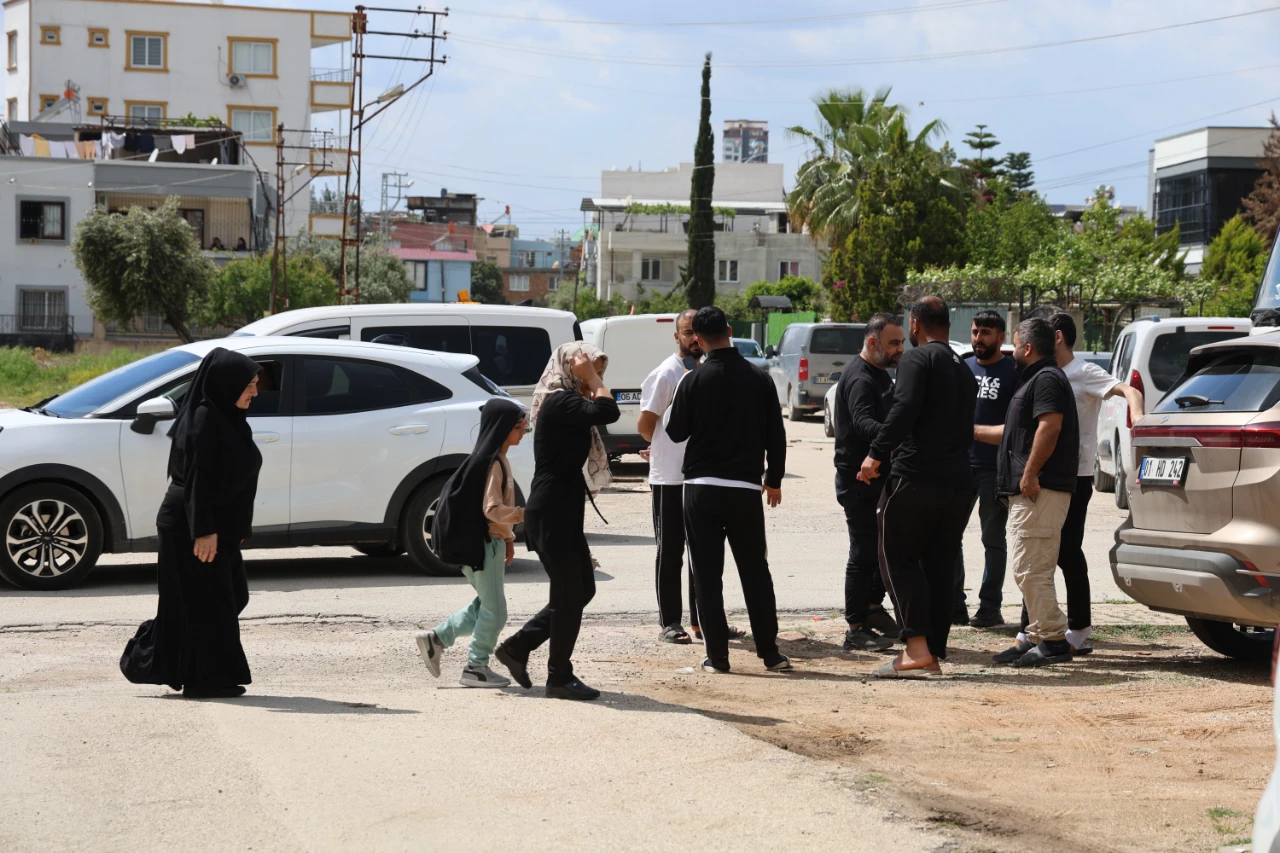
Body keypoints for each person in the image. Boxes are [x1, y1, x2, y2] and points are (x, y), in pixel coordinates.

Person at [120, 348, 263, 699]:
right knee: (206, 602)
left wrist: (237, 530)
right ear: (227, 384)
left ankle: (189, 666)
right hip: (190, 525)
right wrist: (204, 531)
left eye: (256, 384)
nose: (255, 392)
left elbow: (236, 482)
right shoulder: (204, 420)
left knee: (227, 597)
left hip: (215, 527)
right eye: (249, 384)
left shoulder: (229, 419)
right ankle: (203, 679)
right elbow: (197, 481)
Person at [665, 306, 791, 675]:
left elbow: (675, 432)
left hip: (701, 488)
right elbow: (776, 435)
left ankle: (717, 656)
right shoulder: (759, 378)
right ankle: (771, 654)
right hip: (744, 488)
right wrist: (774, 479)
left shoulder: (693, 379)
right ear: (730, 331)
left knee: (706, 574)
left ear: (697, 338)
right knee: (755, 572)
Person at [1010, 312, 1143, 653]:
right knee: (1037, 553)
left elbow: (1127, 389)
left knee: (1065, 552)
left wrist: (1138, 418)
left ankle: (1079, 629)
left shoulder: (1083, 372)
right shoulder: (1041, 373)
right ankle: (1029, 629)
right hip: (1045, 473)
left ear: (1056, 337)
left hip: (1076, 475)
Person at [858, 297, 976, 678]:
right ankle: (932, 651)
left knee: (896, 557)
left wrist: (875, 454)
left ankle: (916, 649)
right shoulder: (964, 368)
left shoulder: (917, 359)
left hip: (917, 477)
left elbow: (904, 408)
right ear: (948, 325)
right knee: (940, 564)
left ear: (914, 324)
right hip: (959, 483)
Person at [495, 343, 620, 700]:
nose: (594, 380)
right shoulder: (559, 401)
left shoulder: (568, 402)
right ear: (570, 369)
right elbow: (608, 411)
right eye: (588, 371)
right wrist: (593, 378)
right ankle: (559, 677)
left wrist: (592, 377)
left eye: (599, 373)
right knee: (568, 594)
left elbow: (601, 410)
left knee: (582, 589)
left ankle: (518, 647)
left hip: (561, 509)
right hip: (552, 511)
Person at [981, 317, 1080, 668]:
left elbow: (1049, 427)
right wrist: (969, 430)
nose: (1011, 350)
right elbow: (1014, 431)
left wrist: (1030, 473)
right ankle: (1038, 636)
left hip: (1040, 489)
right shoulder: (1036, 379)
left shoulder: (1047, 379)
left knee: (1030, 568)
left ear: (1027, 347)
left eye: (1015, 344)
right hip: (1034, 489)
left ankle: (1053, 639)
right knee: (1031, 567)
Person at [417, 399, 528, 688]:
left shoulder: (498, 460)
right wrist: (525, 515)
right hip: (484, 547)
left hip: (492, 544)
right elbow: (492, 510)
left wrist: (509, 538)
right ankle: (476, 667)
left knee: (485, 606)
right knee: (496, 611)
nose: (523, 431)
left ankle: (437, 639)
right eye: (519, 427)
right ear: (503, 429)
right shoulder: (493, 465)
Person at [832, 312, 905, 652]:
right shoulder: (860, 378)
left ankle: (873, 609)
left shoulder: (879, 373)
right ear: (873, 342)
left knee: (881, 550)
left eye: (902, 342)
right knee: (863, 553)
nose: (900, 349)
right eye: (893, 343)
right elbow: (863, 424)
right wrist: (898, 436)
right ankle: (855, 628)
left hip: (878, 478)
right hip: (859, 481)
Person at [637, 308, 703, 644]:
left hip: (700, 478)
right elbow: (645, 425)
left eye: (697, 332)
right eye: (687, 332)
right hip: (670, 479)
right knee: (671, 550)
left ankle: (703, 622)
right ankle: (670, 622)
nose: (694, 338)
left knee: (702, 552)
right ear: (677, 336)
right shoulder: (667, 373)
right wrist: (663, 447)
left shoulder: (706, 370)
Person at [954, 311, 1019, 629]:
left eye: (986, 333)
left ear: (1001, 337)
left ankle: (990, 607)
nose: (978, 338)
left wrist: (973, 432)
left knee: (993, 539)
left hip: (995, 469)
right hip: (959, 465)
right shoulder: (964, 366)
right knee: (949, 535)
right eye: (975, 332)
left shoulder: (1013, 372)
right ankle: (954, 605)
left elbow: (1016, 426)